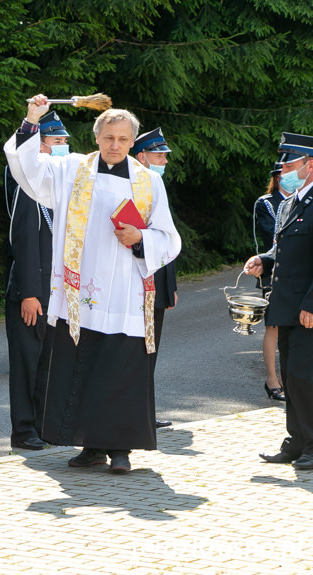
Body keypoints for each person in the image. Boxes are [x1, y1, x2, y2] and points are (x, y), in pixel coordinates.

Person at [5, 96, 181, 473]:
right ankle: (90, 446)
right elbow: (28, 168)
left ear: (132, 142)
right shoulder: (71, 170)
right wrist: (31, 120)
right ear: (97, 136)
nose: (114, 144)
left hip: (124, 296)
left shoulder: (148, 182)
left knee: (119, 373)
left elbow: (169, 239)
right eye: (108, 137)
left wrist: (141, 239)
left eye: (122, 138)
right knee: (81, 366)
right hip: (80, 295)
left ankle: (120, 450)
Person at [245, 132, 313, 470]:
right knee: (292, 375)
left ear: (309, 164)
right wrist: (264, 260)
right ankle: (297, 441)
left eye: (289, 162)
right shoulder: (289, 202)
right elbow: (283, 249)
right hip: (287, 305)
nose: (283, 168)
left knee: (306, 376)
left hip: (307, 307)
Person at [6, 111, 70, 452]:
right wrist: (29, 294)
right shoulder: (29, 188)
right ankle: (24, 429)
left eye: (64, 143)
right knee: (27, 363)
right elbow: (25, 245)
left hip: (56, 293)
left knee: (49, 362)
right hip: (33, 292)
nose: (63, 148)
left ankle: (45, 424)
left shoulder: (61, 189)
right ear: (40, 147)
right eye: (57, 142)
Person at [132, 127, 179, 429]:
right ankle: (135, 413)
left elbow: (167, 239)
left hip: (157, 285)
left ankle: (144, 411)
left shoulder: (156, 186)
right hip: (136, 284)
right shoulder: (134, 188)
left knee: (151, 349)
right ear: (142, 157)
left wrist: (170, 286)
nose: (164, 160)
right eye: (158, 155)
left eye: (164, 155)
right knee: (137, 349)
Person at [252, 163, 291, 401]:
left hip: (297, 271)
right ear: (276, 178)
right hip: (273, 269)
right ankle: (271, 379)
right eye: (284, 174)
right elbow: (269, 237)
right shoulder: (266, 202)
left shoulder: (302, 200)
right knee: (273, 325)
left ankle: (290, 379)